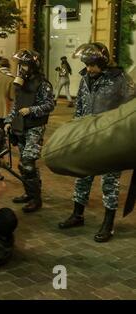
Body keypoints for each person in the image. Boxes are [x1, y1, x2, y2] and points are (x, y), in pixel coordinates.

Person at [58, 43, 135, 242]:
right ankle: (77, 214)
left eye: (92, 65)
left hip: (110, 138)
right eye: (87, 64)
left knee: (110, 183)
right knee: (82, 177)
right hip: (87, 135)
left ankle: (108, 224)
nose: (89, 69)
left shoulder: (120, 80)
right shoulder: (85, 79)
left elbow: (130, 109)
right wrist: (75, 130)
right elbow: (80, 107)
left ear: (102, 62)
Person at [4, 49, 55, 213]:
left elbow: (50, 105)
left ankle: (36, 199)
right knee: (23, 164)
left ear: (33, 66)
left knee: (28, 163)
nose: (22, 68)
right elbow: (16, 105)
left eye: (25, 65)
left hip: (35, 127)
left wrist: (32, 110)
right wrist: (8, 121)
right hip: (20, 127)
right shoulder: (21, 83)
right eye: (21, 65)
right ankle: (29, 192)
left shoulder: (43, 84)